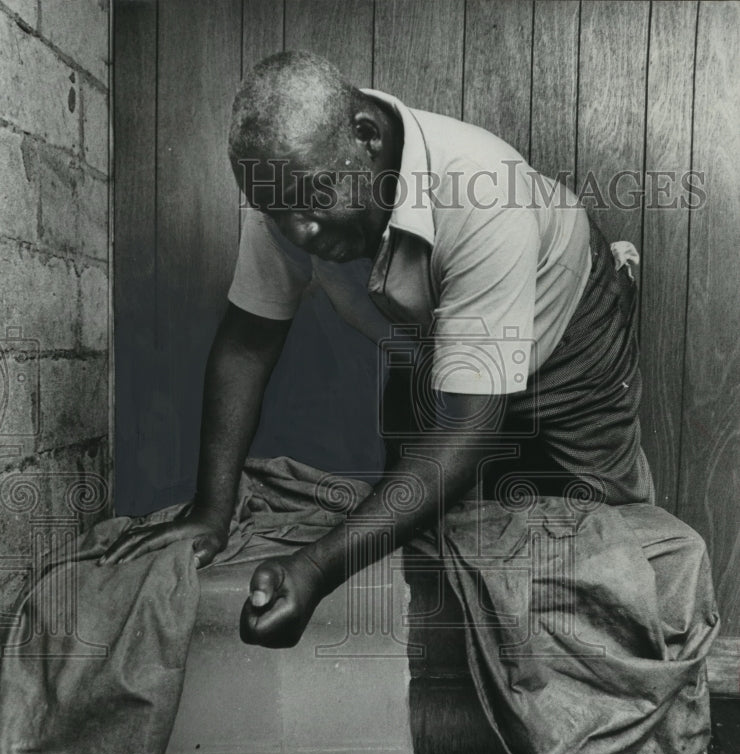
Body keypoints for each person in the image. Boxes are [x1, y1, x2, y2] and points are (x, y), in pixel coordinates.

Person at [101, 49, 654, 650]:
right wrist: (211, 510)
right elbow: (246, 345)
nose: (298, 232)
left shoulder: (484, 188)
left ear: (365, 136)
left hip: (574, 332)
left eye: (314, 198)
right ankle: (440, 696)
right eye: (275, 212)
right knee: (434, 526)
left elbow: (467, 434)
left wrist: (316, 568)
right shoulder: (288, 185)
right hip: (438, 337)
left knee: (616, 543)